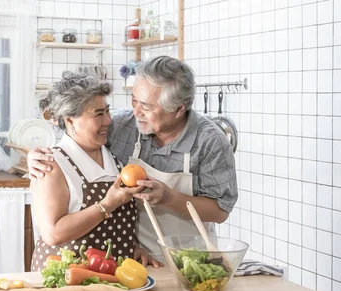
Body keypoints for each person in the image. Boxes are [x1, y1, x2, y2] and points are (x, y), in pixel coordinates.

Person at [28, 56, 238, 267]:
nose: (136, 112)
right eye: (134, 100)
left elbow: (220, 211)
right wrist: (34, 156)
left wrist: (168, 197)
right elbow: (79, 134)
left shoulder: (211, 142)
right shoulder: (123, 126)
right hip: (135, 262)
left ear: (179, 109)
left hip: (191, 259)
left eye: (146, 106)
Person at [29, 70, 146, 271]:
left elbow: (115, 227)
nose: (108, 120)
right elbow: (53, 234)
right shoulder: (51, 164)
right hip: (66, 279)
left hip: (111, 276)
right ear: (70, 120)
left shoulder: (115, 157)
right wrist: (107, 204)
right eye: (98, 114)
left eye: (107, 111)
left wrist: (132, 247)